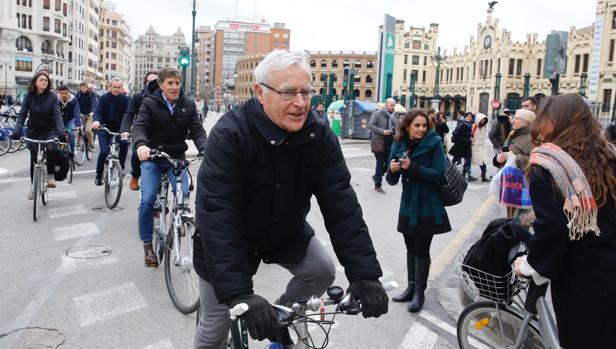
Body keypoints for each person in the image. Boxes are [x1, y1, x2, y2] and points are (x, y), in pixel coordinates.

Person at [192, 50, 388, 348]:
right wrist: (238, 293)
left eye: (305, 92)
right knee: (215, 325)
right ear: (260, 92)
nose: (300, 103)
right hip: (230, 240)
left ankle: (278, 318)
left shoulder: (319, 134)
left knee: (322, 271)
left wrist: (364, 273)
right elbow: (216, 213)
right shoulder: (230, 134)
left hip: (284, 232)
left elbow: (341, 205)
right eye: (288, 93)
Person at [513, 93, 616, 347]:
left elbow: (553, 229)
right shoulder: (608, 155)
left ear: (556, 122)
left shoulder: (548, 168)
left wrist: (529, 265)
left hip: (583, 280)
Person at [132, 67, 207, 267]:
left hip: (176, 158)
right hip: (153, 158)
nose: (174, 87)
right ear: (161, 85)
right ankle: (148, 244)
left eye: (177, 83)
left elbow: (197, 131)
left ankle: (176, 227)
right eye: (170, 83)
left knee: (183, 197)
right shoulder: (149, 103)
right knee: (147, 199)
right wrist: (141, 145)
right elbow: (139, 127)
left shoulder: (188, 105)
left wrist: (205, 148)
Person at [386, 109, 450, 312]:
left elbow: (440, 174)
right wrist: (392, 170)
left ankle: (419, 293)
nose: (421, 129)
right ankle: (410, 287)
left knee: (421, 249)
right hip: (408, 204)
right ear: (407, 126)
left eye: (424, 125)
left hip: (428, 204)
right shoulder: (398, 143)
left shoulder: (434, 142)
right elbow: (391, 180)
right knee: (410, 247)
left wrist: (412, 168)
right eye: (417, 125)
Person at [11, 71, 66, 197]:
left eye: (46, 80)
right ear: (35, 82)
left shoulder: (52, 97)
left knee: (51, 147)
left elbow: (58, 116)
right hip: (33, 130)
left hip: (49, 130)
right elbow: (22, 115)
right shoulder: (28, 97)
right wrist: (17, 132)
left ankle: (51, 175)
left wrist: (61, 133)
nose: (44, 82)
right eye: (41, 80)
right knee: (34, 158)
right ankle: (33, 188)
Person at [120, 71, 158, 191]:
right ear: (145, 83)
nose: (153, 84)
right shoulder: (138, 97)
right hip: (142, 131)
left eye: (156, 82)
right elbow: (129, 114)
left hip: (161, 132)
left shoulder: (164, 96)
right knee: (137, 153)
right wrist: (125, 131)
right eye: (150, 82)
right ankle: (135, 176)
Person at [495, 109, 536, 218]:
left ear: (525, 122)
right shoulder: (514, 133)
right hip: (512, 183)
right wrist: (500, 158)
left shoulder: (533, 138)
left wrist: (514, 157)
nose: (512, 120)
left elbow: (536, 160)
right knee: (511, 217)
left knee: (521, 220)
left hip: (524, 185)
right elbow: (507, 151)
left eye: (516, 118)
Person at [92, 78, 130, 186]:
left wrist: (128, 127)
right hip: (104, 128)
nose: (117, 89)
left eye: (119, 87)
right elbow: (98, 111)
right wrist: (96, 121)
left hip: (120, 129)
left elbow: (129, 114)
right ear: (110, 87)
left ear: (121, 88)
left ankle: (121, 167)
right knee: (104, 152)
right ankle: (99, 175)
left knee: (124, 143)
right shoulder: (104, 98)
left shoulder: (125, 100)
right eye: (114, 87)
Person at [368, 98, 398, 193]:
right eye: (391, 105)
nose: (393, 107)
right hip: (379, 142)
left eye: (394, 105)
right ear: (386, 105)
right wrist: (383, 131)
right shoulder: (377, 114)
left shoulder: (394, 115)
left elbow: (397, 129)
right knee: (380, 163)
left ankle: (376, 176)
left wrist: (395, 126)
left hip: (390, 142)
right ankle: (378, 185)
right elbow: (371, 125)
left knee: (389, 162)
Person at [450, 112, 476, 181]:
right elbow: (455, 133)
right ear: (465, 117)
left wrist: (471, 137)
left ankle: (466, 175)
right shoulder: (461, 124)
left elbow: (469, 134)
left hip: (467, 145)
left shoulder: (470, 125)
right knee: (455, 159)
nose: (469, 118)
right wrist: (465, 140)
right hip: (460, 145)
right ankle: (448, 172)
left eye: (471, 117)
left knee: (468, 160)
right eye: (468, 116)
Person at [56, 85, 81, 154]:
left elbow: (76, 112)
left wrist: (78, 125)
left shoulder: (73, 99)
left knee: (71, 133)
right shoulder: (55, 99)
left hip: (69, 120)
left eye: (65, 93)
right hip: (59, 121)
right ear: (59, 93)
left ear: (68, 92)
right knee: (60, 135)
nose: (64, 95)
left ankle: (72, 153)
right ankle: (62, 152)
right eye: (62, 93)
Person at [75, 82, 98, 151]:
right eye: (82, 88)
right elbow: (75, 104)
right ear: (80, 88)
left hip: (89, 115)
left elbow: (94, 103)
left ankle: (92, 145)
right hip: (81, 114)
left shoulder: (92, 94)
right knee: (79, 128)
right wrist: (78, 113)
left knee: (88, 130)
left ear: (87, 87)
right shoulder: (78, 95)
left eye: (85, 88)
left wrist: (92, 112)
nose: (83, 89)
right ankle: (78, 143)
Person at [471, 113, 490, 182]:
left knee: (484, 162)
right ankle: (467, 173)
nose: (483, 121)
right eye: (482, 120)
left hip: (483, 146)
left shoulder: (484, 127)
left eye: (484, 120)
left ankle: (483, 175)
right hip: (475, 147)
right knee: (479, 162)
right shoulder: (474, 126)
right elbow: (471, 135)